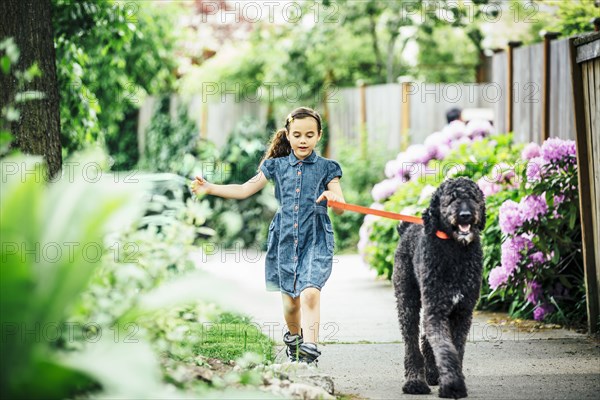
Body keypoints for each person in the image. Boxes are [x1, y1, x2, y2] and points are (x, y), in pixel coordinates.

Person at [191, 106, 345, 364]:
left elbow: (340, 205)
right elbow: (243, 190)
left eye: (309, 134)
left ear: (319, 136)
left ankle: (309, 350)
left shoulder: (328, 168)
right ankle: (294, 341)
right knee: (291, 304)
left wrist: (333, 198)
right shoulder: (275, 166)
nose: (303, 140)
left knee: (309, 292)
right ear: (288, 135)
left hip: (316, 237)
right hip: (284, 239)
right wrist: (210, 188)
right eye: (297, 134)